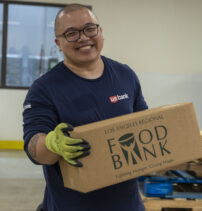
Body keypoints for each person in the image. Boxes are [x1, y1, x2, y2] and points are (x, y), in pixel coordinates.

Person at [23, 4, 148, 211]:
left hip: (128, 205)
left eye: (90, 28)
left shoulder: (125, 75)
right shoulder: (44, 88)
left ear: (100, 32)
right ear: (58, 43)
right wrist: (52, 143)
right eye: (71, 33)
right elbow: (34, 149)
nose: (83, 37)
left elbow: (143, 125)